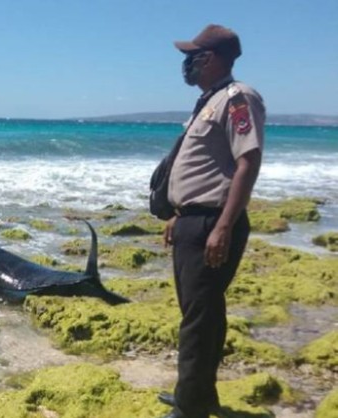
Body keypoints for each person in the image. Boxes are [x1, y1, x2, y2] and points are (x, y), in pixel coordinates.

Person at [158, 24, 265, 418]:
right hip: (193, 221)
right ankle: (197, 395)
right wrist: (177, 213)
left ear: (214, 58)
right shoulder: (211, 99)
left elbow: (247, 163)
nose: (187, 63)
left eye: (194, 55)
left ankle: (190, 408)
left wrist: (222, 226)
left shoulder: (238, 98)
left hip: (211, 225)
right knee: (200, 315)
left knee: (199, 321)